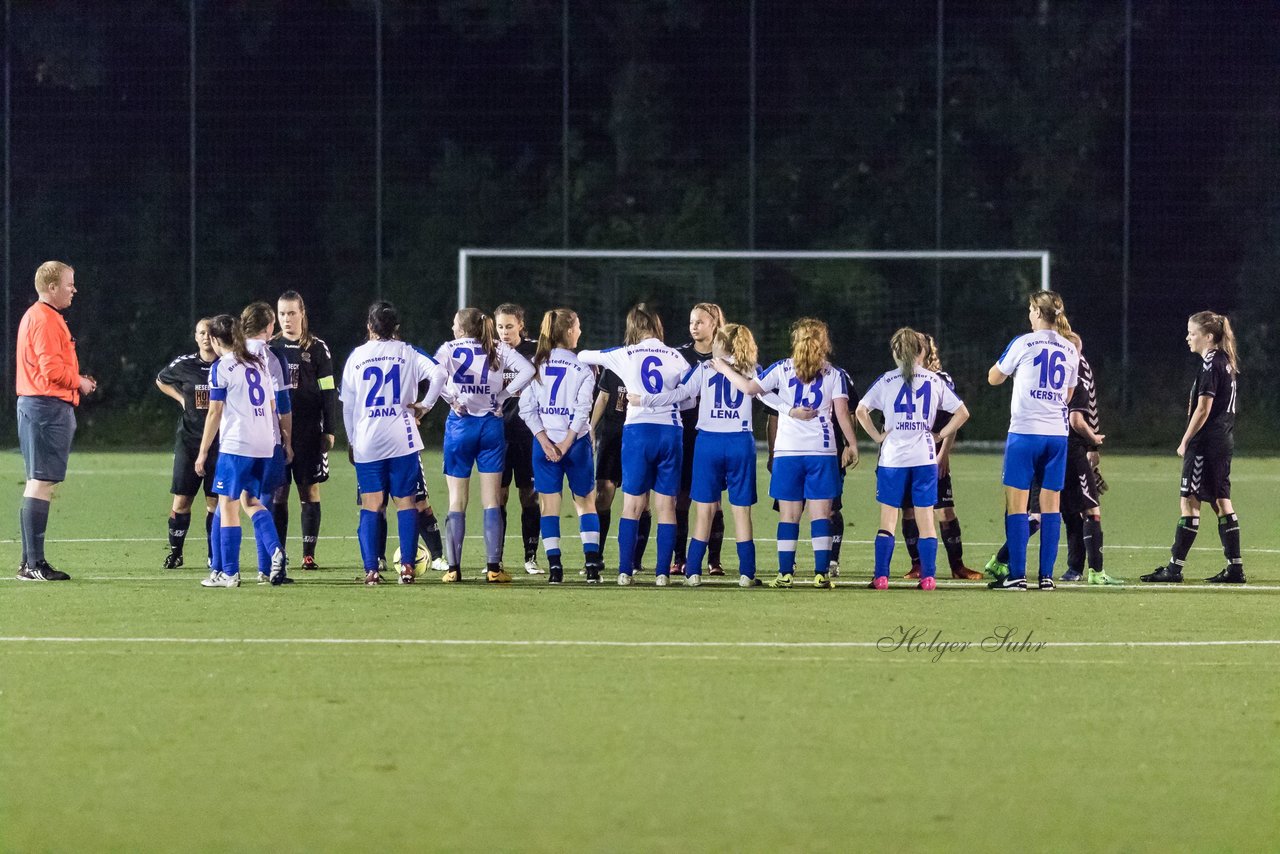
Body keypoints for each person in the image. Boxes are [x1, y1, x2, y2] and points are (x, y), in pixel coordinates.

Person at [634, 323, 791, 587]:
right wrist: (792, 410)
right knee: (741, 512)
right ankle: (747, 573)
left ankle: (692, 571)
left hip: (708, 444)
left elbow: (680, 395)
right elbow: (768, 398)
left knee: (704, 510)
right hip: (740, 443)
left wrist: (645, 400)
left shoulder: (706, 368)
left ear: (720, 344)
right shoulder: (751, 369)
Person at [715, 317, 859, 589]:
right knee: (820, 515)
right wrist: (851, 444)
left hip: (787, 452)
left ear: (796, 340)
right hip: (822, 451)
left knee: (788, 516)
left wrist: (723, 368)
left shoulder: (781, 368)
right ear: (823, 343)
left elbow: (749, 389)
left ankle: (785, 574)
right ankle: (821, 575)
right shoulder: (833, 373)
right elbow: (841, 412)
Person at [579, 303, 690, 586]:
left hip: (638, 432)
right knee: (666, 506)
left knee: (632, 505)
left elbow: (584, 355)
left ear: (633, 327)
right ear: (657, 326)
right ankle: (663, 573)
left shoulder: (624, 353)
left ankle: (624, 572)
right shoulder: (676, 356)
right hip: (670, 431)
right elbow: (689, 397)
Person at [856, 328, 969, 590]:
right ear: (922, 352)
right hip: (924, 458)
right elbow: (962, 413)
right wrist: (940, 434)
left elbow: (862, 410)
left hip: (893, 460)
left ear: (895, 353)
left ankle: (881, 577)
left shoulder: (886, 380)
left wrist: (877, 436)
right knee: (926, 520)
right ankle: (929, 578)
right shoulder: (934, 380)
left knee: (888, 521)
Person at [341, 300, 443, 585]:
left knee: (371, 505)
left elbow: (348, 406)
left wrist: (351, 440)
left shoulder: (357, 357)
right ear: (396, 328)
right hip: (402, 437)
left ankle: (372, 571)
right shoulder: (407, 352)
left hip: (367, 441)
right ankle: (408, 569)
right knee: (406, 502)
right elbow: (439, 373)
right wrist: (425, 404)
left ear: (369, 327)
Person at [986, 290, 1079, 591]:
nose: (1028, 315)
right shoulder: (1070, 348)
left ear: (1038, 313)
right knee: (1051, 507)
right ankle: (1047, 577)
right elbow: (1068, 393)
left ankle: (1016, 575)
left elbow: (994, 378)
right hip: (1056, 435)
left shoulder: (1023, 342)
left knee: (1017, 507)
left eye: (1030, 310)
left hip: (1025, 433)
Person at [435, 307, 536, 582]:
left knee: (457, 499)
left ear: (462, 327)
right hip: (491, 424)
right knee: (492, 500)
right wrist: (502, 396)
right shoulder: (497, 348)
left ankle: (453, 570)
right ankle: (493, 568)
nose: (452, 326)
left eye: (455, 322)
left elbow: (434, 377)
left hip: (460, 426)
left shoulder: (449, 347)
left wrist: (451, 399)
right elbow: (527, 370)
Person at [1142, 312, 1244, 584]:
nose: (1188, 337)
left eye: (1193, 333)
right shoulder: (1226, 362)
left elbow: (1203, 408)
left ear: (1208, 337)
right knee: (1222, 502)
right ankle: (1235, 567)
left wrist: (1185, 440)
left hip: (1205, 443)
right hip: (1222, 440)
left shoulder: (1211, 364)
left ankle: (1174, 568)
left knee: (1189, 502)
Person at [15, 260, 97, 581]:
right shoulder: (46, 319)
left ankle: (29, 563)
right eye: (69, 283)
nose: (73, 289)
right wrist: (81, 382)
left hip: (39, 406)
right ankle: (34, 564)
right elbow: (51, 371)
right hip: (46, 408)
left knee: (38, 482)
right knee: (40, 483)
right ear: (52, 287)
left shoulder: (39, 316)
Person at [194, 314, 289, 587]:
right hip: (265, 444)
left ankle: (230, 573)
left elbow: (214, 412)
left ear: (213, 339)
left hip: (237, 445)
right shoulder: (257, 362)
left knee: (228, 505)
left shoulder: (221, 367)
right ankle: (275, 550)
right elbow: (272, 405)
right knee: (251, 501)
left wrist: (202, 453)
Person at [520, 308, 603, 583]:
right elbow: (582, 412)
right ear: (568, 331)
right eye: (577, 326)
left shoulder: (535, 365)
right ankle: (592, 567)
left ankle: (555, 569)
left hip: (544, 447)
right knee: (586, 503)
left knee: (549, 507)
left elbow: (526, 409)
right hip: (575, 444)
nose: (580, 331)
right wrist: (566, 443)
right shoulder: (584, 367)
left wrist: (545, 442)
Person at [900, 334, 984, 581]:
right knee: (909, 511)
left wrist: (944, 454)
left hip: (932, 455)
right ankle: (917, 565)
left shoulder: (941, 379)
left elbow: (953, 418)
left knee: (945, 511)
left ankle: (957, 566)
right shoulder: (899, 379)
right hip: (905, 456)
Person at [271, 291, 338, 571]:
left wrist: (330, 429)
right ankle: (279, 552)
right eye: (282, 314)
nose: (286, 319)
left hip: (310, 432)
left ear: (302, 314)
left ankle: (308, 554)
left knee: (309, 491)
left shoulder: (317, 348)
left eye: (291, 313)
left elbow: (328, 390)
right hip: (275, 434)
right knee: (278, 493)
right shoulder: (270, 348)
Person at [155, 318, 220, 570]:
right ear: (195, 336)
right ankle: (176, 552)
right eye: (201, 332)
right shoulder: (185, 364)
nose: (206, 337)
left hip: (218, 444)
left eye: (210, 332)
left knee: (214, 502)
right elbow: (161, 380)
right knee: (182, 500)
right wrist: (182, 398)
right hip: (189, 442)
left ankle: (214, 554)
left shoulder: (226, 365)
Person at [1059, 333, 1121, 584]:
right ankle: (1096, 571)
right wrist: (1093, 440)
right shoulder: (1079, 378)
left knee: (1064, 512)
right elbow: (1078, 419)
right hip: (1074, 450)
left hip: (1051, 447)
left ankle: (1074, 568)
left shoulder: (1052, 379)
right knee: (1091, 509)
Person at [672, 303, 727, 576]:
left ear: (714, 324)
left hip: (714, 437)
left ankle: (713, 560)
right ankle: (679, 558)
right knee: (680, 499)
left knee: (713, 501)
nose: (694, 326)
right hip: (685, 435)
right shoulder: (679, 355)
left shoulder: (727, 357)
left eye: (700, 322)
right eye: (692, 322)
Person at [494, 303, 544, 574]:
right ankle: (496, 558)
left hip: (527, 435)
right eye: (500, 326)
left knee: (529, 496)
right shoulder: (490, 351)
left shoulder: (536, 351)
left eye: (509, 326)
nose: (504, 332)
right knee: (498, 497)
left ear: (521, 326)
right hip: (498, 435)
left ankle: (530, 556)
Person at [589, 366, 653, 571]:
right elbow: (603, 398)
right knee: (603, 495)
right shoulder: (615, 366)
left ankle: (635, 560)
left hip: (639, 435)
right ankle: (596, 556)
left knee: (642, 500)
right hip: (612, 437)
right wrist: (591, 428)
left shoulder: (649, 367)